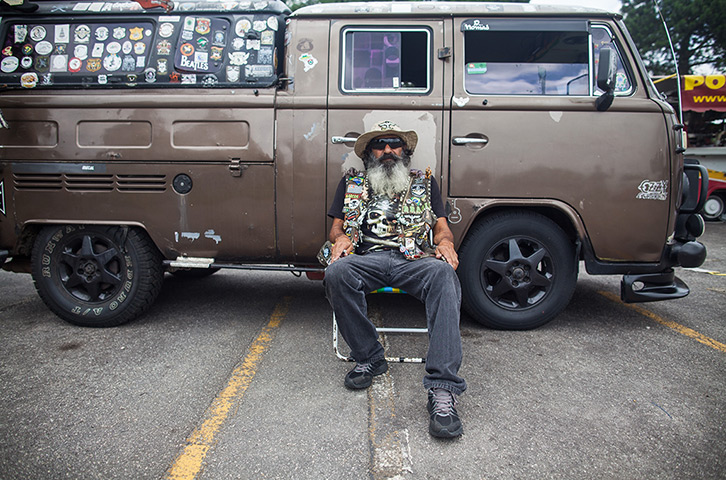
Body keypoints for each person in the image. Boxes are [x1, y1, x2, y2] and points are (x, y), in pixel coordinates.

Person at [323, 120, 467, 439]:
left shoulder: (425, 183)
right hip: (366, 258)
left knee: (444, 275)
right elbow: (336, 227)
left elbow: (441, 225)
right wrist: (340, 240)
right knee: (336, 273)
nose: (388, 150)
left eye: (394, 143)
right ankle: (370, 357)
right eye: (380, 144)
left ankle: (443, 389)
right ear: (368, 153)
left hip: (413, 258)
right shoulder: (351, 182)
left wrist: (445, 243)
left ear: (406, 151)